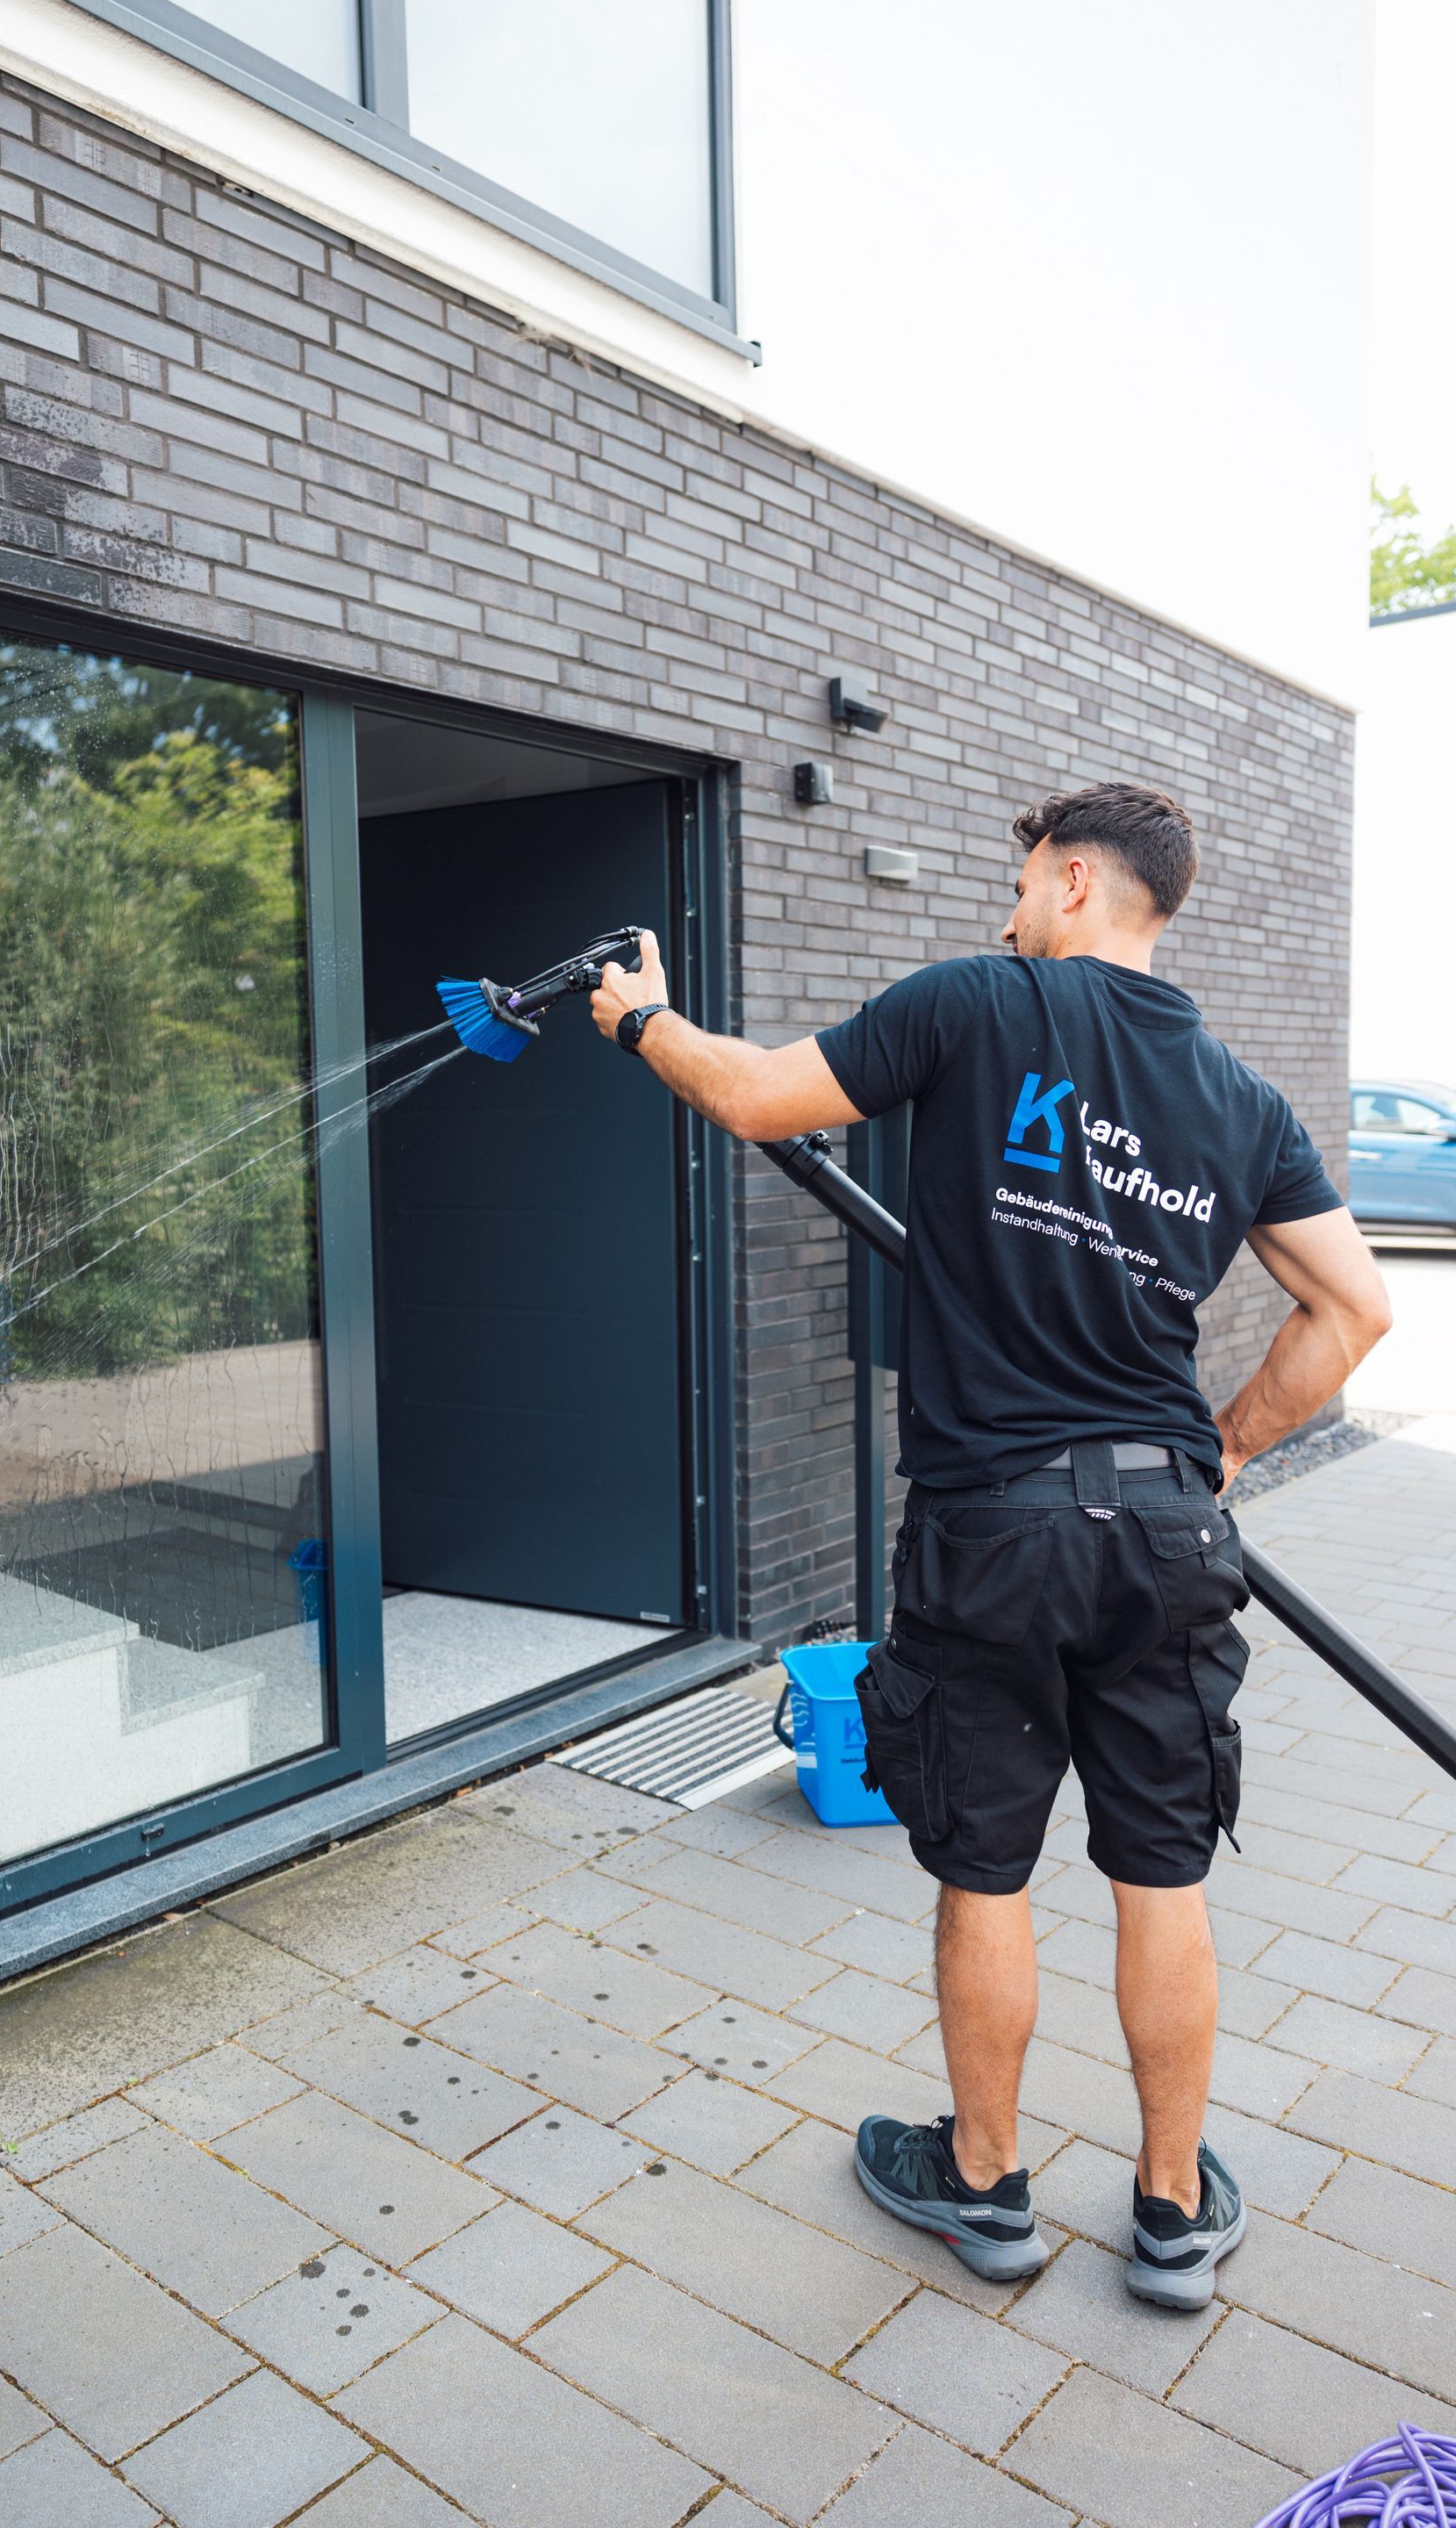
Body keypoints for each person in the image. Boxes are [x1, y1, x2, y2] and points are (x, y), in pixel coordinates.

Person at [589, 780, 1390, 2309]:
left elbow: (756, 1095)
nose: (1007, 904)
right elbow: (1357, 1310)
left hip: (992, 1526)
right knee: (1162, 1873)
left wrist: (639, 1020)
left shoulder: (975, 1005)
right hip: (1162, 1532)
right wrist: (1214, 1453)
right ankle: (1169, 2211)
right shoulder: (1241, 1099)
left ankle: (986, 2185)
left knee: (990, 1871)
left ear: (1078, 883)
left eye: (1024, 877)